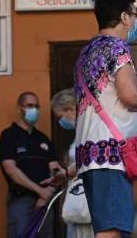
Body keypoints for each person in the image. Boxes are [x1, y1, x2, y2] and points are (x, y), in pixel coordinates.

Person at [74, 0, 137, 238]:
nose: (136, 21)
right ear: (125, 17)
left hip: (91, 155)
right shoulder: (117, 49)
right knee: (112, 232)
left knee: (107, 228)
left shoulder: (86, 53)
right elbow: (131, 97)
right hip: (110, 156)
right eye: (136, 15)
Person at [0, 91, 66, 238]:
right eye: (29, 106)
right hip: (21, 201)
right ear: (19, 108)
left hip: (45, 200)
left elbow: (54, 168)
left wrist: (47, 192)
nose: (33, 110)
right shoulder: (9, 135)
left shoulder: (43, 138)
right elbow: (10, 169)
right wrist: (39, 191)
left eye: (36, 106)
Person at [51, 88, 93, 238]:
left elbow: (89, 160)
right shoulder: (82, 130)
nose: (60, 121)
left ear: (70, 109)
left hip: (88, 200)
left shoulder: (90, 127)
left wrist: (66, 172)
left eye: (60, 116)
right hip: (80, 199)